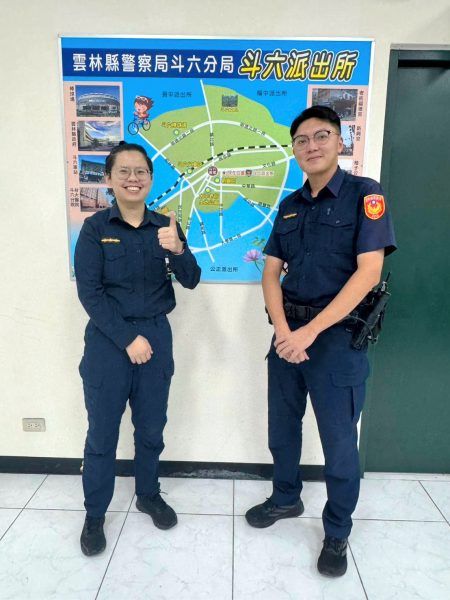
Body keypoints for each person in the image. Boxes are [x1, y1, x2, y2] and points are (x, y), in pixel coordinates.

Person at [245, 106, 396, 577]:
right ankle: (286, 497)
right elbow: (271, 272)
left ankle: (337, 531)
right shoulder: (290, 204)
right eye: (302, 140)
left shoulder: (365, 194)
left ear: (340, 141)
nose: (311, 146)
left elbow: (369, 272)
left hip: (336, 342)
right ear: (294, 149)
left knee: (339, 444)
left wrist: (310, 332)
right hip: (287, 336)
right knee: (282, 430)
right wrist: (283, 330)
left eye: (322, 135)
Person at [74, 141, 201, 556]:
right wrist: (128, 339)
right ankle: (95, 514)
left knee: (151, 427)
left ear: (150, 178)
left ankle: (148, 494)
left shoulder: (165, 225)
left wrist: (178, 249)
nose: (133, 178)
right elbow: (90, 293)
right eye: (124, 172)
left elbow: (192, 279)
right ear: (109, 179)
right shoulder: (95, 229)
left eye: (141, 171)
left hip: (156, 337)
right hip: (109, 342)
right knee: (102, 434)